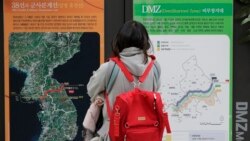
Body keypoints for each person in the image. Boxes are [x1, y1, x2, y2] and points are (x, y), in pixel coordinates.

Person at [82, 20, 161, 141]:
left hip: (115, 135)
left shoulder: (109, 68)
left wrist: (102, 95)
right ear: (145, 42)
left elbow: (91, 89)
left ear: (119, 41)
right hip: (146, 135)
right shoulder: (155, 67)